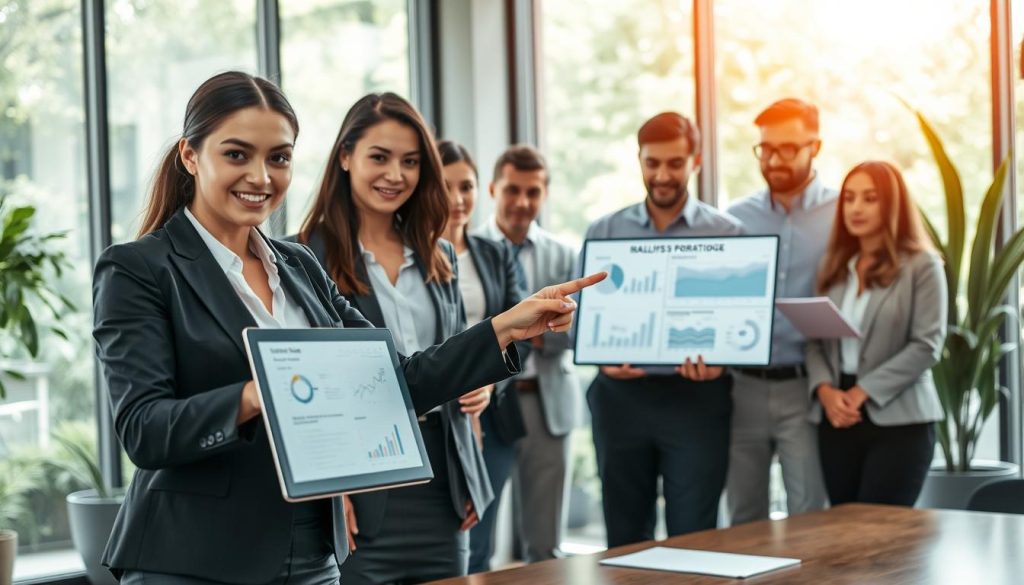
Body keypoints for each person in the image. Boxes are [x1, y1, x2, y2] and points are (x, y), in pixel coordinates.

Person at [92, 71, 603, 585]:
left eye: (279, 157)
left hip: (312, 554)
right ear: (189, 156)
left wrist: (503, 329)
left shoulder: (299, 267)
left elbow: (394, 379)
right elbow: (144, 430)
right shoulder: (139, 269)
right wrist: (256, 395)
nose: (261, 177)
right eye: (236, 154)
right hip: (195, 559)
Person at [292, 94, 509, 583]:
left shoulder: (441, 256)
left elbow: (449, 361)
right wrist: (333, 492)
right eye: (380, 157)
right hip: (360, 483)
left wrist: (477, 399)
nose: (396, 174)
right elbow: (307, 388)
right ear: (345, 156)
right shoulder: (305, 258)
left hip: (443, 479)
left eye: (410, 161)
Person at [584, 112, 743, 548]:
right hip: (620, 400)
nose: (662, 175)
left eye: (674, 163)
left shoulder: (727, 234)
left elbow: (739, 321)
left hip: (697, 400)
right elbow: (574, 321)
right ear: (639, 160)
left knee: (694, 535)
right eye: (652, 163)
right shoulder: (604, 231)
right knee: (625, 535)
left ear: (695, 160)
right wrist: (599, 353)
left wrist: (721, 365)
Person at [805, 160, 945, 507]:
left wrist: (862, 392)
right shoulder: (833, 266)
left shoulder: (922, 266)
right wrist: (824, 391)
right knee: (842, 535)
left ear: (892, 204)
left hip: (900, 420)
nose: (855, 208)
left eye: (869, 198)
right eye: (849, 198)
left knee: (881, 538)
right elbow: (815, 341)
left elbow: (927, 345)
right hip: (838, 417)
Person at [724, 98, 833, 524]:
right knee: (742, 519)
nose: (773, 160)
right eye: (765, 149)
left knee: (809, 515)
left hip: (806, 386)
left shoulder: (844, 213)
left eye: (787, 148)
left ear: (815, 147)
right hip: (741, 386)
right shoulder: (734, 219)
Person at [470, 145, 578, 564]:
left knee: (545, 543)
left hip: (546, 401)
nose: (521, 202)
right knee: (480, 539)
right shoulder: (469, 251)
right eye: (512, 190)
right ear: (494, 189)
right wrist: (524, 324)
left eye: (532, 192)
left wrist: (512, 328)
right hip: (489, 404)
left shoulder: (563, 255)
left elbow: (578, 335)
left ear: (544, 195)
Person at [436, 140, 531, 573]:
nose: (457, 200)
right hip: (436, 416)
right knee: (444, 540)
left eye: (467, 187)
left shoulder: (495, 253)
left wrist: (491, 381)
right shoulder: (409, 254)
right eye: (445, 186)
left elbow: (522, 334)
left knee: (479, 542)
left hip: (492, 420)